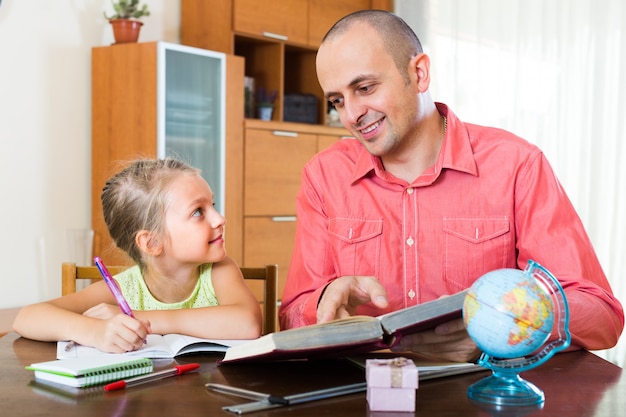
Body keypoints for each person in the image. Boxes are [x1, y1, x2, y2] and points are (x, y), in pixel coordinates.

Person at [278, 10, 624, 362]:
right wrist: (323, 302)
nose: (351, 115)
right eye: (337, 101)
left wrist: (497, 323)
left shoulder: (517, 165)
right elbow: (291, 315)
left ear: (419, 73)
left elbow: (601, 315)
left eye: (365, 88)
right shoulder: (323, 176)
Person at [13, 158, 262, 353]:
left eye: (213, 206)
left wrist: (138, 318)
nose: (220, 219)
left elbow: (248, 323)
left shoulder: (219, 270)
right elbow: (26, 318)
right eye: (198, 212)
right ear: (151, 242)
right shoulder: (123, 289)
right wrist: (95, 331)